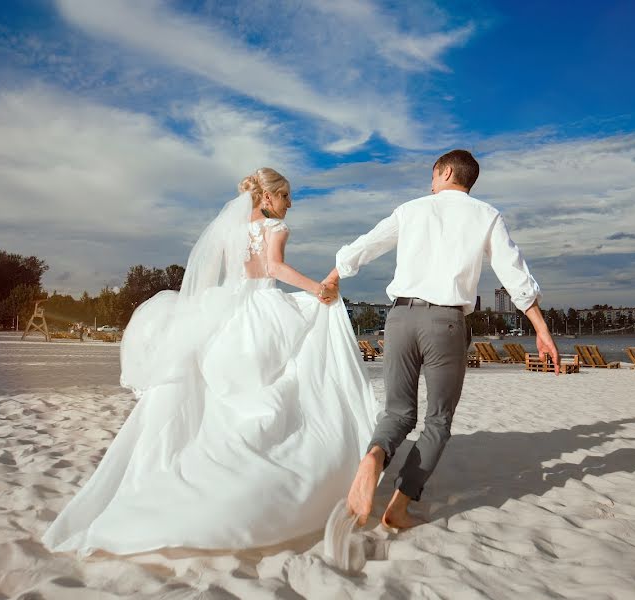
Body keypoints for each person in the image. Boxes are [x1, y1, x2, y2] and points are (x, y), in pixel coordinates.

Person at [42, 168, 379, 554]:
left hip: (226, 314)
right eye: (285, 196)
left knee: (219, 399)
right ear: (268, 198)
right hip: (262, 313)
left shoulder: (225, 230)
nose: (290, 204)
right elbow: (274, 269)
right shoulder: (277, 228)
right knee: (285, 381)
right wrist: (317, 288)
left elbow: (220, 275)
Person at [322, 149, 559, 530]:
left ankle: (375, 456)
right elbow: (514, 274)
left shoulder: (411, 210)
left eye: (433, 175)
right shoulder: (486, 215)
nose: (430, 183)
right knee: (438, 420)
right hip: (446, 323)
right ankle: (399, 506)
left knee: (397, 413)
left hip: (398, 318)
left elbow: (366, 245)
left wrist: (335, 275)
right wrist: (542, 329)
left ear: (446, 171)